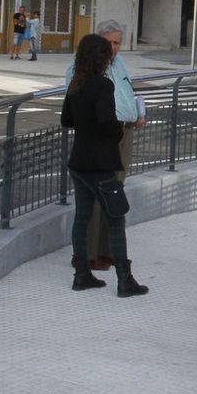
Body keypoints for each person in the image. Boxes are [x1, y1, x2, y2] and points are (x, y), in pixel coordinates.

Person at [61, 33, 146, 297]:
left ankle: (82, 274)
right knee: (116, 217)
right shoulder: (103, 85)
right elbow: (107, 123)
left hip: (79, 161)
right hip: (101, 163)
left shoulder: (76, 83)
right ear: (102, 58)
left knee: (83, 215)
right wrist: (118, 131)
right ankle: (124, 279)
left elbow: (66, 120)